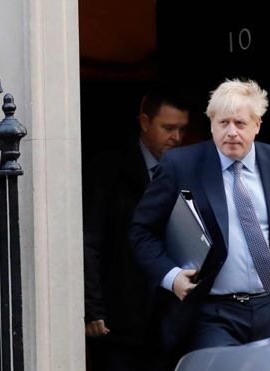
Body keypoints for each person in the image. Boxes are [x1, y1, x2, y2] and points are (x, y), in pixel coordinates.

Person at [129, 79, 270, 356]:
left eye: (240, 124)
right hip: (211, 312)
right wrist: (172, 278)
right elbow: (141, 232)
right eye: (223, 123)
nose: (231, 132)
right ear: (211, 125)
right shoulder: (181, 165)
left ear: (257, 125)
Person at [83, 83, 190, 371]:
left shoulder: (187, 171)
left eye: (182, 129)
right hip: (121, 318)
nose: (176, 138)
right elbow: (90, 240)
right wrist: (92, 308)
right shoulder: (107, 170)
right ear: (144, 122)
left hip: (171, 320)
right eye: (168, 128)